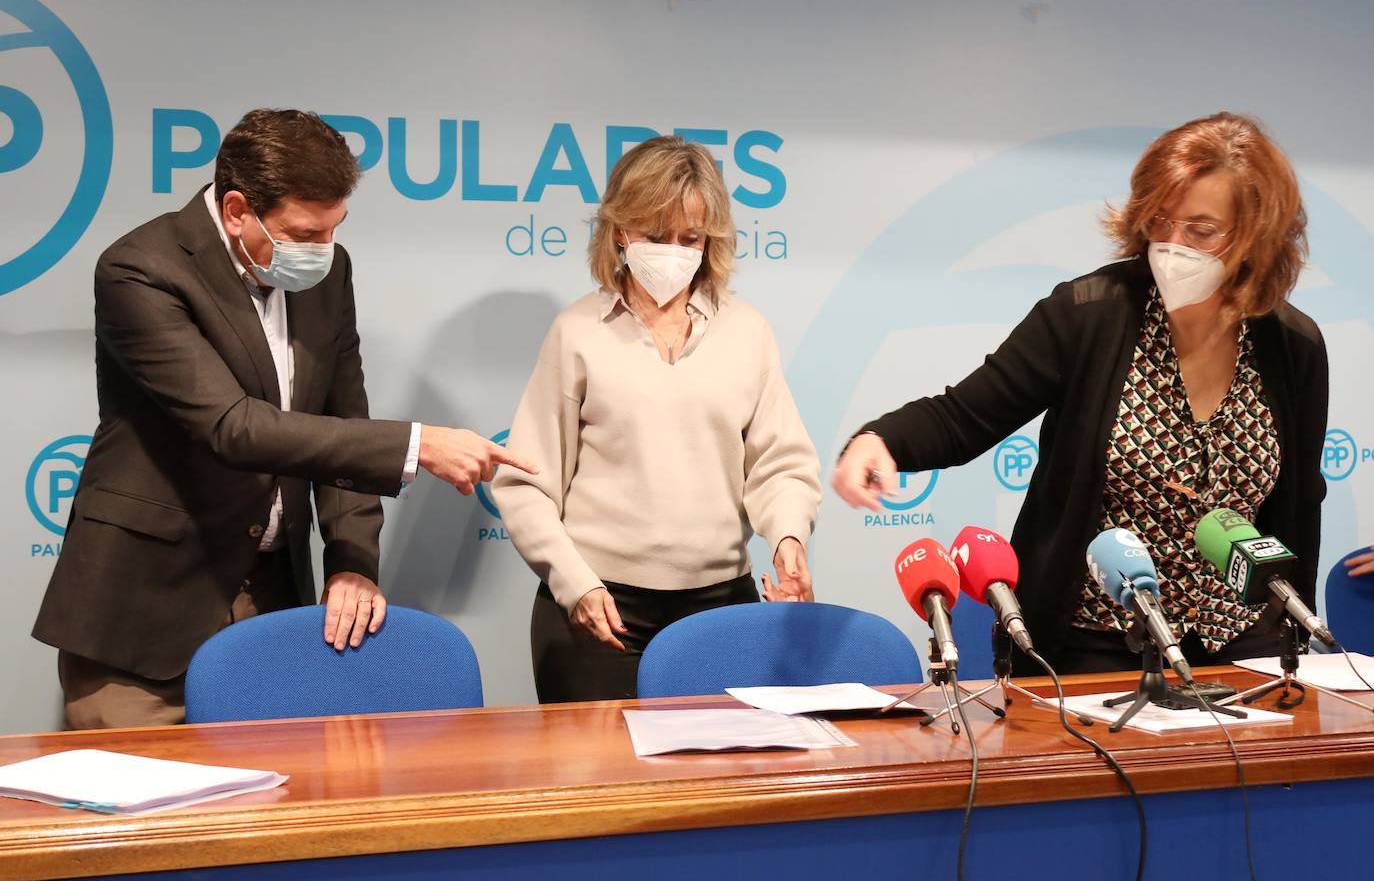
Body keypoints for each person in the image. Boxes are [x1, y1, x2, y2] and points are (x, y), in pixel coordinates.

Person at [33, 109, 536, 728]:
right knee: (148, 816)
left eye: (334, 229)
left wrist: (352, 562)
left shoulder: (330, 272)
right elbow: (233, 426)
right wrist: (417, 444)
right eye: (303, 232)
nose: (323, 250)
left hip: (273, 598)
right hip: (144, 607)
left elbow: (341, 421)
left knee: (272, 811)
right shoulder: (141, 268)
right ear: (238, 210)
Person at [834, 112, 1327, 674]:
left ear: (1256, 238)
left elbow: (1299, 506)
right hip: (1095, 642)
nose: (1171, 245)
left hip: (1241, 642)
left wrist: (1296, 642)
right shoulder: (1088, 314)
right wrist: (883, 441)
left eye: (1201, 229)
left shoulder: (1294, 345)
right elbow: (965, 415)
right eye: (1160, 221)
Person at [494, 136, 822, 702]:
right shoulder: (578, 332)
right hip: (597, 612)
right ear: (621, 231)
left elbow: (781, 464)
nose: (674, 251)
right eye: (655, 235)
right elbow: (526, 482)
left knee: (724, 789)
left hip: (721, 608)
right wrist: (575, 585)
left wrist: (789, 536)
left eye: (690, 238)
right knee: (606, 789)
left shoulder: (747, 331)